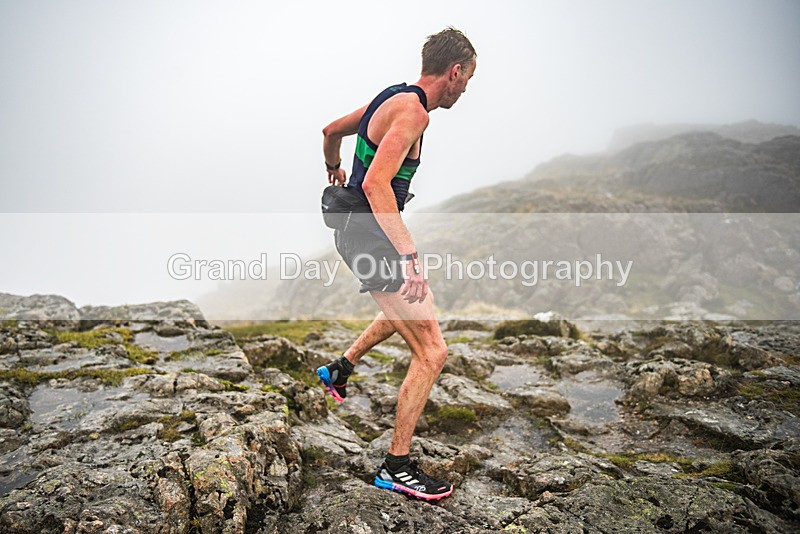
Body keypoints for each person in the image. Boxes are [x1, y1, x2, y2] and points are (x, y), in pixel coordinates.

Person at [316, 27, 477, 501]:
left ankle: (340, 368)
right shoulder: (413, 113)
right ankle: (396, 466)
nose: (466, 90)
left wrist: (333, 165)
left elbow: (330, 132)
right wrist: (409, 255)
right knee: (433, 352)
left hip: (358, 229)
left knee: (408, 308)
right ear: (454, 72)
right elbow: (376, 185)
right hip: (370, 233)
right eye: (468, 80)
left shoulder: (389, 99)